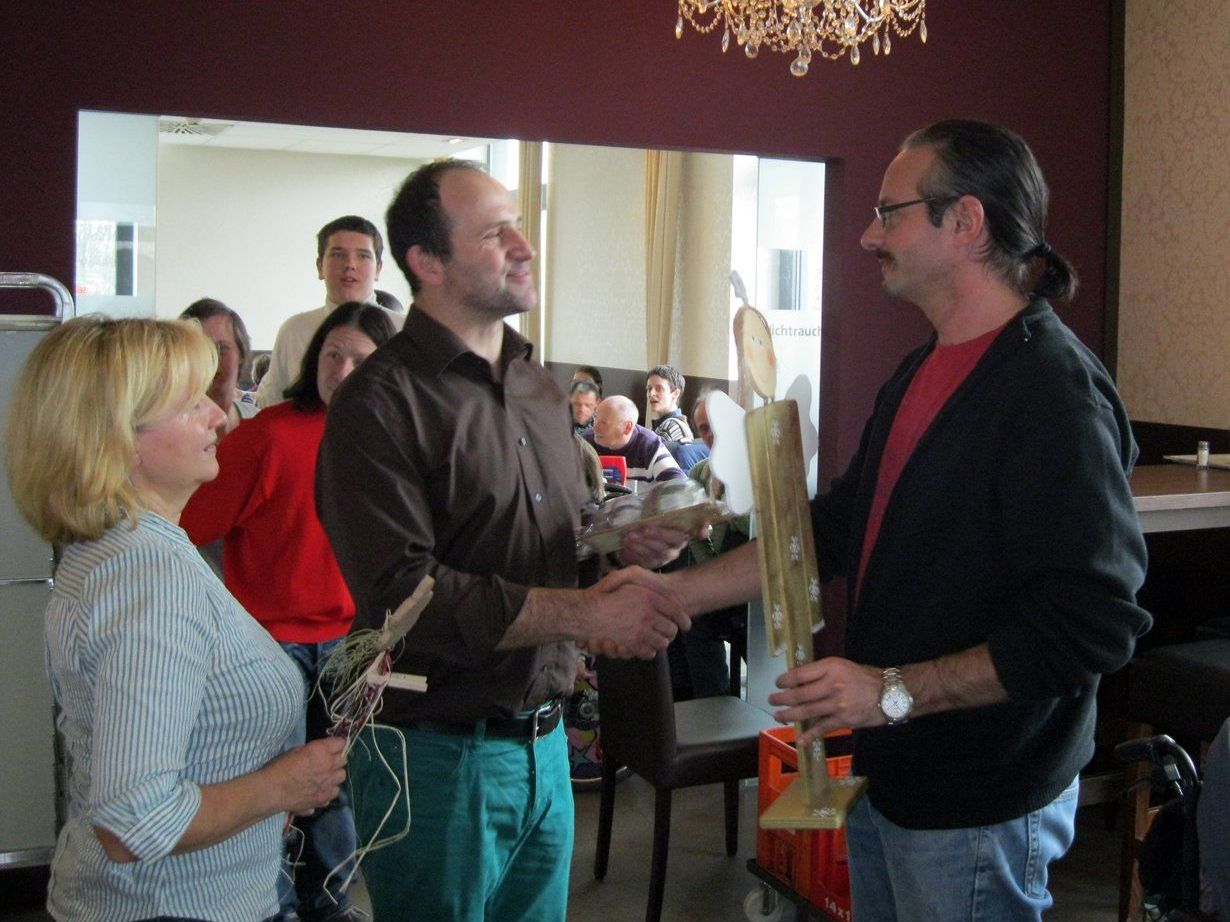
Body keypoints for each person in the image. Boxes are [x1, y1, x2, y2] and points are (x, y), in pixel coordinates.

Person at [607, 120, 1153, 921]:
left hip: (980, 797)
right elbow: (830, 530)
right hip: (894, 771)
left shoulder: (1050, 392)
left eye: (889, 212)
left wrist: (889, 693)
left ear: (963, 222)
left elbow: (1093, 626)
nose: (868, 236)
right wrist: (674, 595)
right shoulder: (922, 369)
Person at [314, 159, 689, 922]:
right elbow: (404, 600)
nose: (524, 245)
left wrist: (625, 542)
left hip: (545, 747)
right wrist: (585, 616)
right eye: (494, 232)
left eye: (520, 223)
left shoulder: (539, 386)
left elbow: (561, 536)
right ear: (427, 262)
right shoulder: (377, 405)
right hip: (433, 754)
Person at [3, 316, 346, 922]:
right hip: (166, 907)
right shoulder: (146, 576)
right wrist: (279, 787)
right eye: (191, 403)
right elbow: (133, 821)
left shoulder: (136, 548)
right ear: (116, 436)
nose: (219, 415)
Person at [181, 302, 395, 922]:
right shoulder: (270, 434)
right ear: (313, 360)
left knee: (336, 786)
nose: (343, 368)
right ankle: (269, 908)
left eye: (361, 358)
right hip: (268, 646)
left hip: (352, 642)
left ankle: (327, 905)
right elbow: (192, 524)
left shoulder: (394, 444)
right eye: (333, 353)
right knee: (266, 791)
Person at [256, 215, 404, 407]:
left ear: (378, 269)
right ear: (320, 266)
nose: (350, 265)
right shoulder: (294, 331)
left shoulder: (406, 330)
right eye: (338, 254)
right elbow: (271, 403)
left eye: (363, 256)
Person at [180, 297, 258, 438]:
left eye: (220, 348)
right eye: (198, 349)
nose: (210, 360)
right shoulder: (170, 431)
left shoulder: (259, 424)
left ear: (241, 353)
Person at [586, 395, 685, 485]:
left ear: (627, 428)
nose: (595, 428)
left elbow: (678, 485)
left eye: (603, 423)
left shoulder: (649, 444)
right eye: (595, 419)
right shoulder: (585, 443)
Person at [645, 363, 693, 442]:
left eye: (659, 388)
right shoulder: (661, 426)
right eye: (649, 389)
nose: (651, 393)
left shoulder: (671, 428)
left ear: (676, 393)